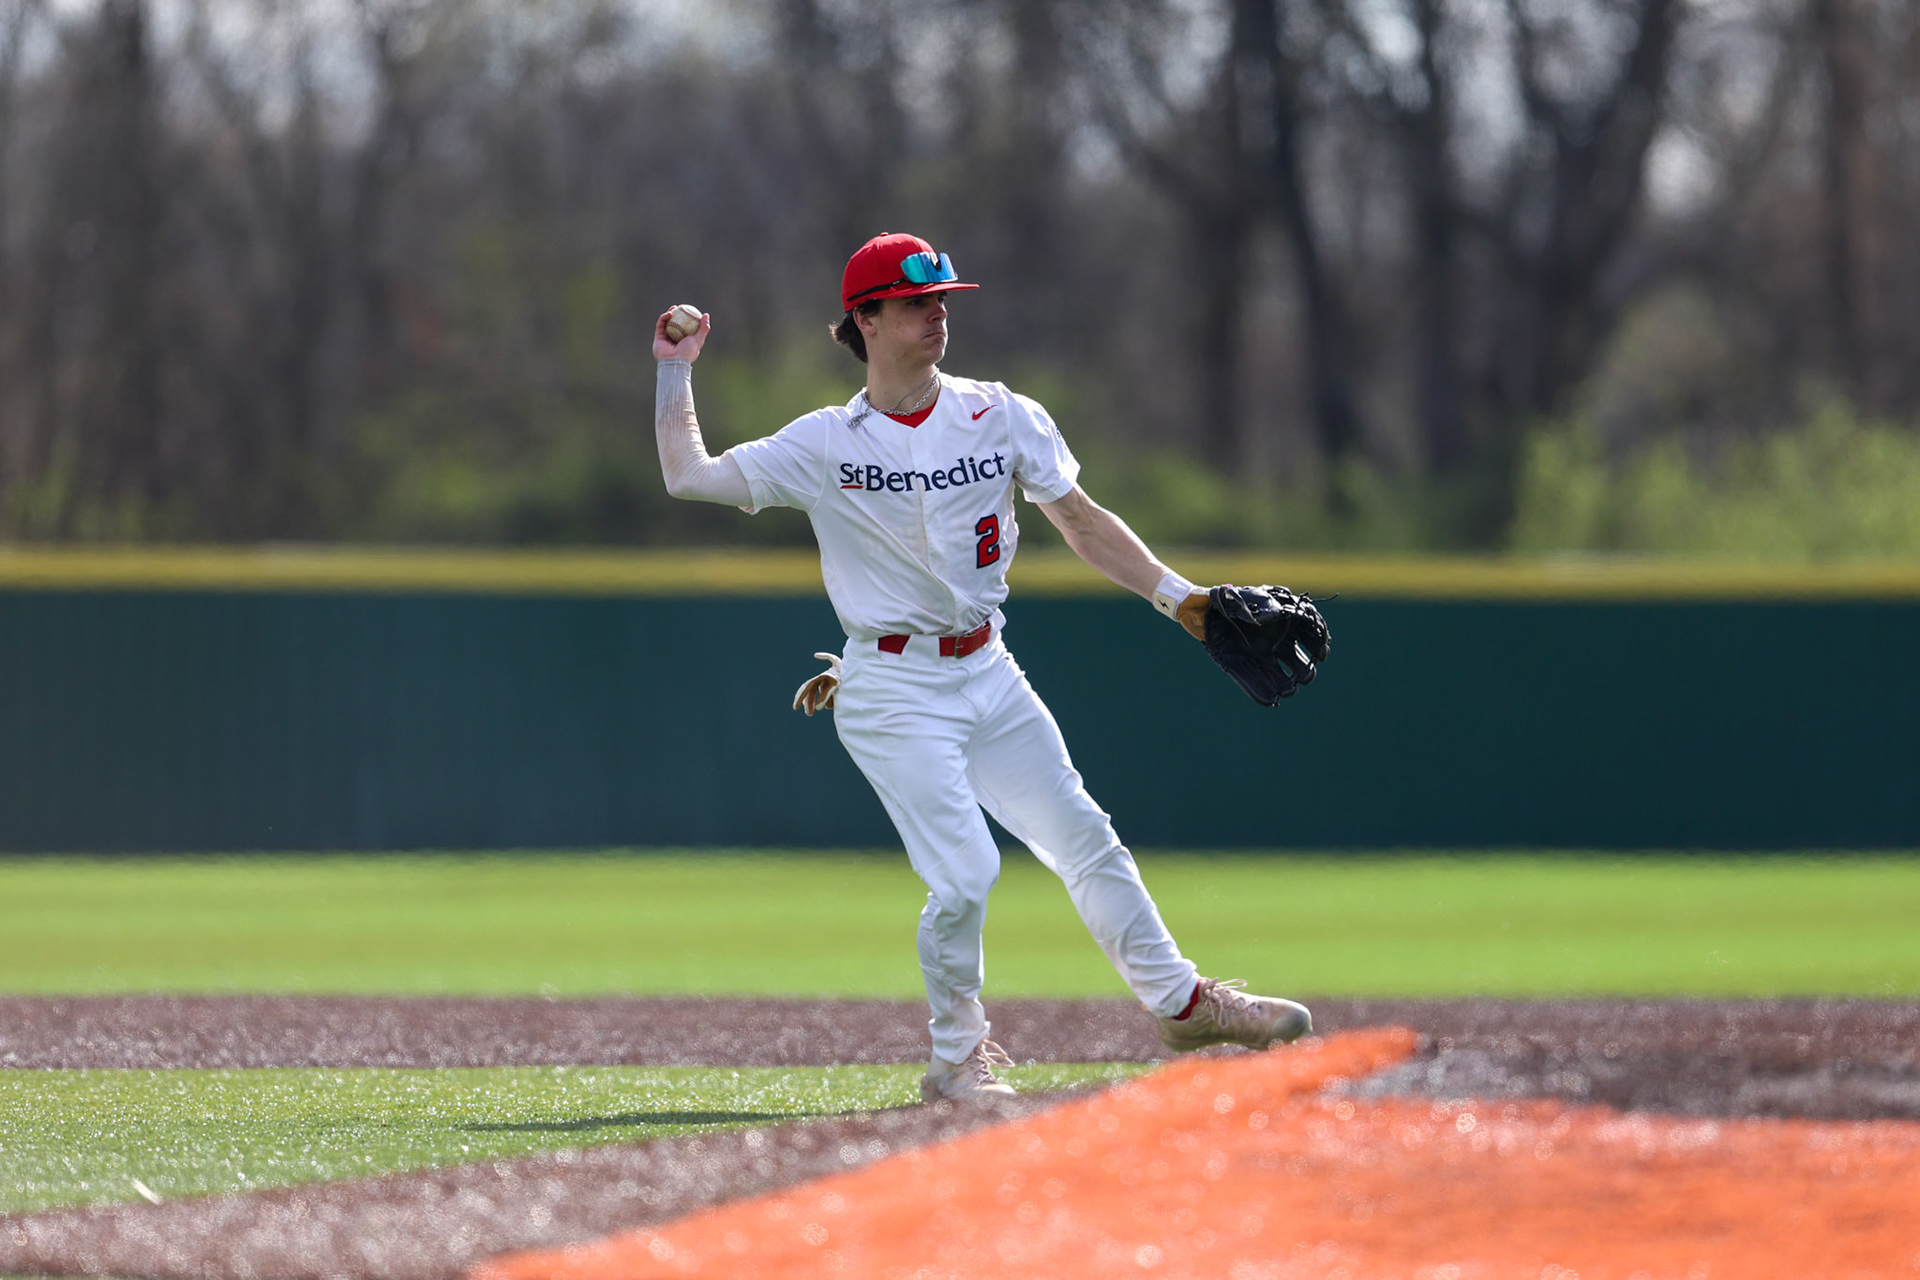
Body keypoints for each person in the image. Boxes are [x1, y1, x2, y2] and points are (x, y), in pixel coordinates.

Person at [653, 232, 1311, 1102]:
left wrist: (1180, 598)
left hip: (987, 669)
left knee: (1084, 838)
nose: (938, 313)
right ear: (868, 319)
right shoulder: (824, 444)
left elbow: (1079, 518)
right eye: (917, 301)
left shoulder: (1001, 413)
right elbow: (688, 477)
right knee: (966, 873)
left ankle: (1183, 1003)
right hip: (890, 686)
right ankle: (957, 1059)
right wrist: (675, 368)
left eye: (944, 299)